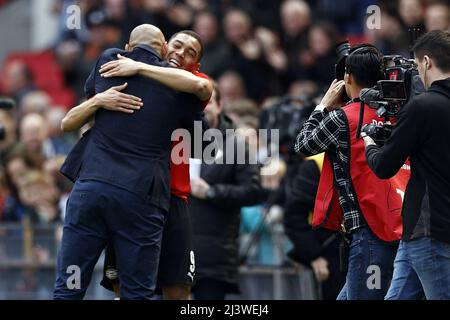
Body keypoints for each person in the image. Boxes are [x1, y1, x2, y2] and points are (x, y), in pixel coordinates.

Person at [53, 24, 204, 300]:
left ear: (129, 47)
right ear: (164, 48)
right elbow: (202, 97)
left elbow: (69, 121)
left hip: (91, 189)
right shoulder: (181, 88)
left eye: (189, 51)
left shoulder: (109, 59)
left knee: (69, 287)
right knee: (137, 293)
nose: (180, 53)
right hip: (141, 198)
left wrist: (103, 97)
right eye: (176, 46)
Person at [295, 44, 410, 300]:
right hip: (400, 225)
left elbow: (303, 145)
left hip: (367, 232)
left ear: (347, 76)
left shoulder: (343, 117)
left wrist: (323, 104)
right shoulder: (398, 113)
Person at [362, 30, 450, 300]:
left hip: (428, 230)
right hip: (423, 232)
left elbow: (384, 167)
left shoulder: (422, 107)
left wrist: (370, 144)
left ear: (426, 62)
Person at [188, 85, 262, 300]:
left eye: (208, 101)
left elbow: (252, 191)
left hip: (214, 260)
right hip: (172, 256)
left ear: (220, 106)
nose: (203, 107)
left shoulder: (236, 146)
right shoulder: (173, 142)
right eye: (197, 102)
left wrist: (211, 192)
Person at [283, 153, 346, 300]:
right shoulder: (316, 164)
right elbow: (293, 216)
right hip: (330, 255)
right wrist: (314, 256)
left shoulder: (373, 154)